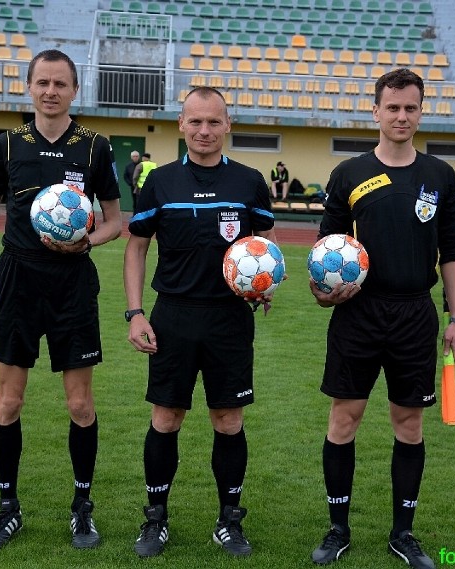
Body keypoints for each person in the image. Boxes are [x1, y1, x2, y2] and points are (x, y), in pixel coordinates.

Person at [0, 49, 122, 551]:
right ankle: (8, 507)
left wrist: (85, 242)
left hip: (72, 284)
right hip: (17, 279)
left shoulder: (95, 147)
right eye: (42, 82)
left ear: (75, 91)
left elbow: (116, 220)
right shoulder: (7, 146)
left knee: (80, 404)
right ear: (29, 87)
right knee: (9, 402)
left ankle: (82, 508)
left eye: (60, 84)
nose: (51, 91)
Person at [308, 68, 455, 569]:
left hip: (416, 314)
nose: (402, 116)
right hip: (357, 314)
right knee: (344, 420)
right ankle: (337, 529)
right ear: (375, 111)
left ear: (422, 111)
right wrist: (323, 293)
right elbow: (324, 252)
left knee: (410, 424)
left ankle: (403, 533)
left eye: (411, 107)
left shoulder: (440, 175)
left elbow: (453, 249)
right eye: (393, 107)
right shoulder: (349, 174)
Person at [124, 86, 277, 559]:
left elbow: (265, 246)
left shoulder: (250, 182)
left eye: (214, 122)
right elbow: (136, 247)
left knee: (228, 420)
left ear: (228, 124)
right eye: (195, 121)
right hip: (173, 316)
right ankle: (155, 520)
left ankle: (229, 521)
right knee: (166, 417)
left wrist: (265, 283)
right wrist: (135, 313)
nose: (204, 130)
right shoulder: (159, 182)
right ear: (181, 125)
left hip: (230, 319)